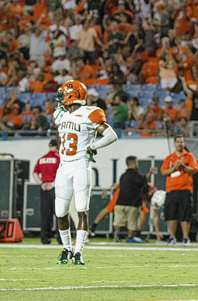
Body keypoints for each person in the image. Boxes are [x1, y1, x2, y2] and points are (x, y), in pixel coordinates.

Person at [54, 80, 118, 265]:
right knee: (60, 212)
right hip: (64, 166)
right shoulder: (61, 114)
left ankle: (78, 252)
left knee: (82, 209)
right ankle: (66, 249)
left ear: (72, 95)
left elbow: (111, 135)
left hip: (81, 165)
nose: (60, 98)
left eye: (63, 94)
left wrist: (93, 146)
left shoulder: (90, 113)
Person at [160, 136, 198, 245]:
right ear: (174, 143)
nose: (180, 144)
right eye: (177, 142)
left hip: (185, 189)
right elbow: (164, 172)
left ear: (184, 143)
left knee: (185, 215)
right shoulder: (169, 158)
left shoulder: (189, 156)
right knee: (171, 215)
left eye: (181, 142)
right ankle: (172, 237)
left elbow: (193, 170)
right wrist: (174, 167)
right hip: (171, 190)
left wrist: (182, 166)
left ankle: (186, 238)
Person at [113, 156, 154, 243]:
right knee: (132, 225)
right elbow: (143, 180)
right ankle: (130, 238)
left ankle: (116, 233)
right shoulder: (135, 175)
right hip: (132, 205)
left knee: (118, 221)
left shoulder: (122, 176)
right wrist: (150, 173)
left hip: (119, 203)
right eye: (137, 162)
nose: (137, 164)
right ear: (133, 163)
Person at [33, 139, 60, 244]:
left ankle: (45, 238)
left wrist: (41, 183)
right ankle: (60, 238)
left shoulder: (42, 159)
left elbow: (35, 173)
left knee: (45, 215)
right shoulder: (59, 158)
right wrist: (52, 184)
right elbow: (62, 173)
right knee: (59, 214)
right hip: (55, 188)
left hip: (44, 189)